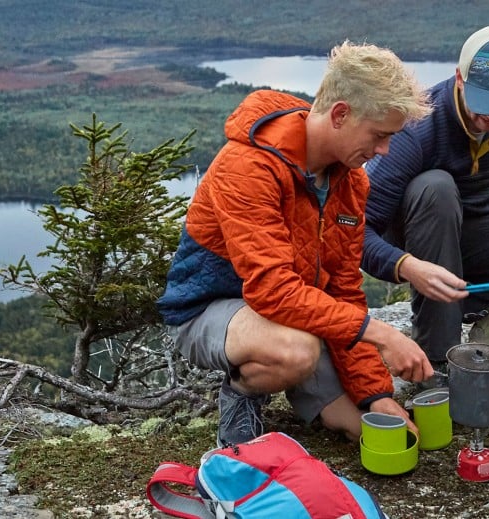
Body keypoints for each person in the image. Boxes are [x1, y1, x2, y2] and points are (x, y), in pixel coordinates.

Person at [157, 42, 435, 447]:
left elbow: (343, 291)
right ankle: (240, 399)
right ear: (340, 114)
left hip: (289, 317)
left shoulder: (351, 183)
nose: (384, 150)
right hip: (206, 310)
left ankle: (328, 395)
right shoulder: (248, 166)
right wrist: (383, 335)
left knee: (362, 427)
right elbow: (272, 290)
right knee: (295, 353)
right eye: (379, 135)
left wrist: (376, 395)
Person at [361, 25, 489, 365]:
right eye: (483, 100)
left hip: (475, 230)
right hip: (418, 235)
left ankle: (459, 303)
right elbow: (357, 231)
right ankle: (438, 354)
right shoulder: (418, 126)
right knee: (436, 187)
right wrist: (406, 266)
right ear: (459, 77)